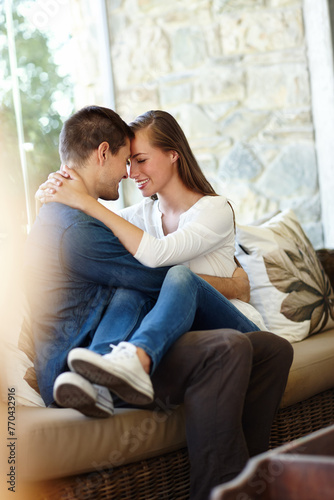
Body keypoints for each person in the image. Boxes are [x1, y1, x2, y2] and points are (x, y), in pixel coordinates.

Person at [30, 106, 293, 500]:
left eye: (139, 161)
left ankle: (250, 483)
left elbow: (145, 262)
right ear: (103, 153)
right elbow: (160, 278)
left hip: (97, 349)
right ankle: (221, 493)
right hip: (79, 371)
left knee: (272, 350)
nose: (128, 173)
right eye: (125, 160)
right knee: (226, 345)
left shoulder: (68, 216)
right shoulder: (76, 228)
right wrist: (233, 286)